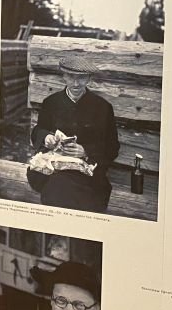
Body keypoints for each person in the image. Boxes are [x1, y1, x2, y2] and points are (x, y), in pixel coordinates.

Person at [29, 54, 119, 212]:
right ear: (64, 76)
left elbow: (113, 147)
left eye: (81, 78)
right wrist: (46, 137)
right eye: (71, 77)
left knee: (63, 188)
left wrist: (86, 151)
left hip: (87, 172)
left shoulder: (102, 107)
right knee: (59, 185)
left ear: (89, 78)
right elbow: (38, 130)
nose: (76, 83)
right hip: (52, 167)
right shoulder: (51, 102)